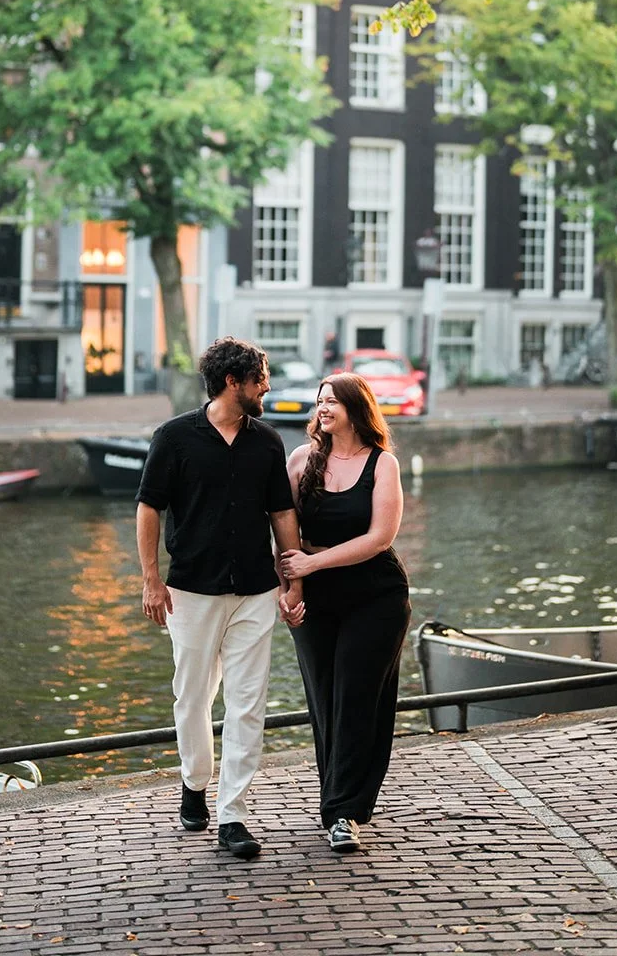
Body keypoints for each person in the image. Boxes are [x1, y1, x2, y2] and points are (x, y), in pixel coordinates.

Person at [136, 336, 305, 861]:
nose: (266, 388)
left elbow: (282, 513)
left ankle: (233, 815)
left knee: (248, 703)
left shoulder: (268, 442)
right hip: (191, 589)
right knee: (192, 698)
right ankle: (194, 782)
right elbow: (149, 508)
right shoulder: (174, 437)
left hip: (256, 589)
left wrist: (294, 578)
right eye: (260, 380)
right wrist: (150, 579)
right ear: (233, 382)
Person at [280, 373, 411, 854]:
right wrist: (289, 587)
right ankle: (336, 801)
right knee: (324, 700)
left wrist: (312, 563)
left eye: (332, 400)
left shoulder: (382, 464)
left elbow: (380, 538)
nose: (322, 407)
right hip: (316, 597)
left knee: (356, 699)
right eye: (320, 401)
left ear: (356, 408)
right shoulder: (301, 460)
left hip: (375, 595)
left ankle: (343, 814)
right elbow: (282, 528)